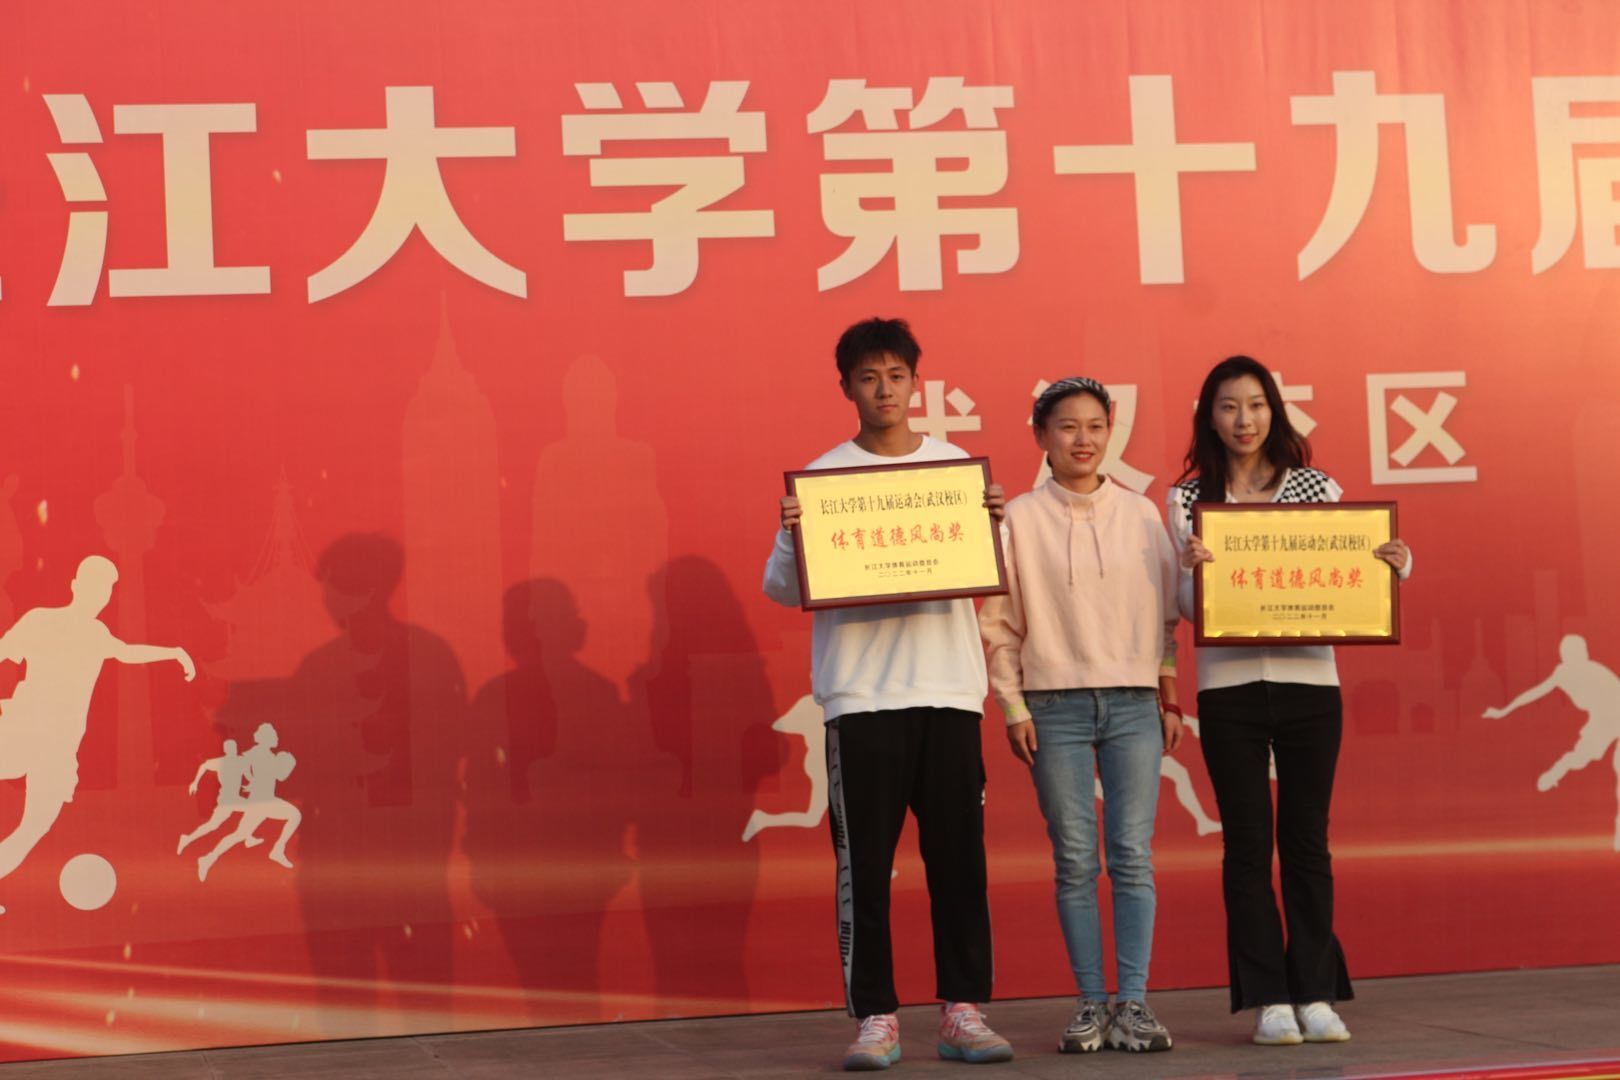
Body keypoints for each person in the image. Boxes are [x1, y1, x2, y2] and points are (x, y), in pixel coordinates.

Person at [762, 317, 1012, 1071]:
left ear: (915, 382)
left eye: (896, 376)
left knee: (959, 863)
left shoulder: (953, 471)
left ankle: (963, 1011)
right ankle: (876, 1016)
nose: (884, 390)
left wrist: (993, 525)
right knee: (864, 869)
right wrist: (792, 534)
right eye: (869, 377)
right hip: (862, 697)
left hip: (948, 691)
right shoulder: (824, 479)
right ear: (846, 387)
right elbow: (782, 589)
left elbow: (987, 572)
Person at [1167, 356, 1411, 1046]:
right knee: (1247, 846)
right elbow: (1185, 608)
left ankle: (1315, 992)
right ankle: (1268, 999)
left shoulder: (1315, 487)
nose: (1243, 420)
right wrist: (1189, 575)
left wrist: (1396, 564)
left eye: (1255, 405)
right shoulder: (1186, 499)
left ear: (1274, 412)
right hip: (1228, 690)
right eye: (1228, 407)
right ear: (1209, 418)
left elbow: (1352, 572)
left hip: (1311, 684)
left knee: (1306, 842)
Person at [979, 377, 1183, 1054]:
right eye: (1067, 427)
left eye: (1095, 426)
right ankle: (1091, 1002)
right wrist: (1012, 705)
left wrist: (1168, 693)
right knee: (1073, 860)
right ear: (1041, 436)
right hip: (1053, 705)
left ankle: (1135, 1004)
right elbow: (999, 624)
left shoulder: (1142, 515)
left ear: (1110, 431)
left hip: (1133, 702)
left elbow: (1165, 617)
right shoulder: (1018, 519)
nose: (1083, 440)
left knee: (1132, 856)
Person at [0, 555, 194, 891]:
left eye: (105, 590)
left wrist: (174, 652)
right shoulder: (41, 620)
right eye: (94, 587)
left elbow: (127, 652)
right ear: (75, 586)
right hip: (25, 728)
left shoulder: (96, 633)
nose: (100, 597)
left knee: (34, 826)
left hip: (58, 747)